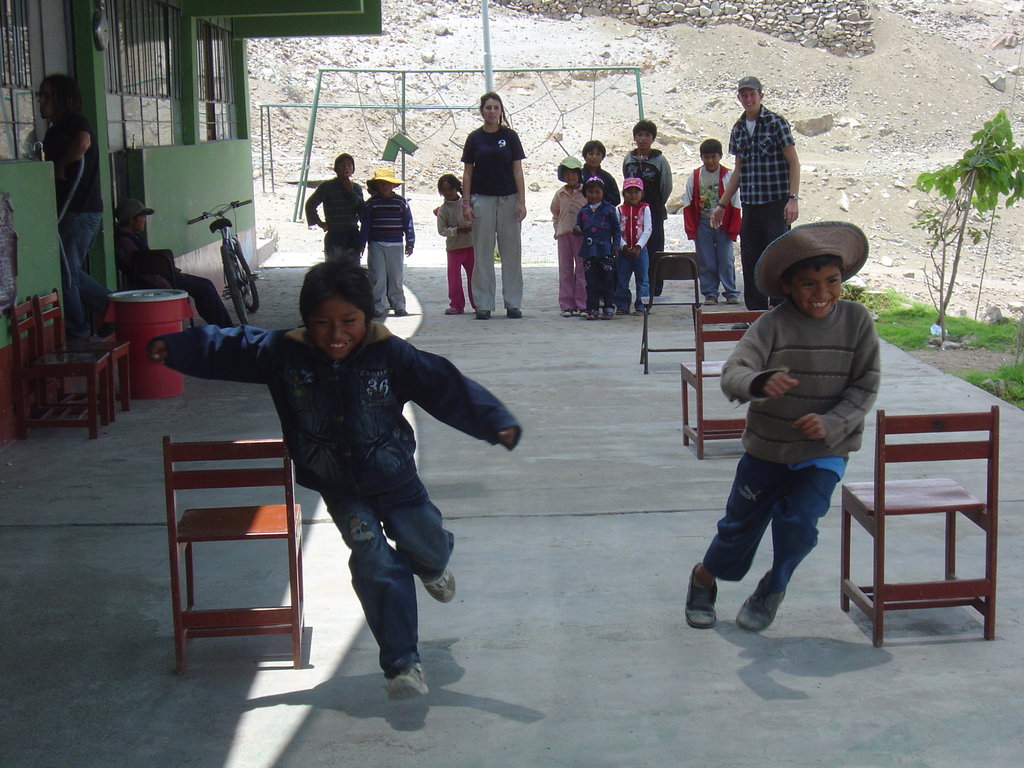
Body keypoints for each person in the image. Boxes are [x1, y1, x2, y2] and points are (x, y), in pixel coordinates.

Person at [146, 260, 521, 699]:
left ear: (367, 317)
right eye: (322, 323)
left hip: (396, 480)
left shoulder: (391, 354)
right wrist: (176, 348)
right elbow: (229, 346)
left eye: (349, 321)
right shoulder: (282, 353)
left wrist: (494, 421)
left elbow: (445, 385)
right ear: (307, 321)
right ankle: (402, 664)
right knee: (374, 560)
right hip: (340, 489)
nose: (336, 334)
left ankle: (434, 565)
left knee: (426, 544)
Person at [684, 222, 880, 633]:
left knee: (800, 525)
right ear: (787, 286)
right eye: (809, 284)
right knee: (738, 529)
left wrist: (832, 422)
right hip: (767, 450)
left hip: (824, 452)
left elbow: (865, 386)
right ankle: (703, 578)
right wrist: (758, 383)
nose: (822, 293)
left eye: (832, 281)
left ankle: (773, 586)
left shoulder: (858, 321)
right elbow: (734, 371)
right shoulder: (771, 325)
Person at [711, 76, 801, 311]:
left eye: (752, 94)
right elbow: (738, 171)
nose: (748, 99)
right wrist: (722, 205)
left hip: (776, 202)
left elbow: (793, 162)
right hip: (751, 205)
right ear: (739, 98)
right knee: (751, 259)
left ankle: (780, 311)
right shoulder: (738, 128)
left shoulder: (776, 123)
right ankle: (754, 314)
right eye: (744, 95)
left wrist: (793, 199)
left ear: (761, 95)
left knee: (778, 257)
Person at [38, 74, 111, 339]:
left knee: (65, 273)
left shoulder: (75, 122)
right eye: (40, 96)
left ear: (62, 98)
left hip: (79, 210)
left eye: (46, 96)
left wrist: (61, 165)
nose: (41, 101)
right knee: (69, 271)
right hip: (69, 212)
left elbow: (83, 143)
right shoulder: (54, 131)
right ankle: (113, 307)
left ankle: (77, 330)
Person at [112, 199, 234, 327]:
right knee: (204, 290)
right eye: (143, 216)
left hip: (164, 275)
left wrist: (170, 269)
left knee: (206, 284)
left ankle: (225, 326)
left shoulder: (132, 237)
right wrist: (167, 285)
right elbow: (144, 271)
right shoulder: (124, 241)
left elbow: (149, 262)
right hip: (155, 282)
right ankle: (225, 328)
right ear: (131, 219)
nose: (145, 220)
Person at [461, 92, 526, 320]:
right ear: (482, 110)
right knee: (482, 254)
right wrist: (466, 203)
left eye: (496, 108)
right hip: (482, 200)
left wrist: (521, 201)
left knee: (511, 253)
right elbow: (467, 173)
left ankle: (513, 303)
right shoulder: (474, 138)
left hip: (509, 199)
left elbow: (517, 169)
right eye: (488, 107)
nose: (492, 112)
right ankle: (483, 304)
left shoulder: (510, 136)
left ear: (501, 111)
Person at [681, 139, 742, 305]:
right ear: (701, 157)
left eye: (713, 157)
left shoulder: (728, 175)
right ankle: (710, 293)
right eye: (706, 157)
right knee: (706, 259)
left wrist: (734, 228)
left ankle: (731, 292)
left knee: (726, 259)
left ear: (720, 156)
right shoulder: (695, 176)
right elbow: (687, 202)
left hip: (724, 224)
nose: (710, 161)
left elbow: (736, 203)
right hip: (703, 223)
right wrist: (691, 228)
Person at [622, 119, 672, 297]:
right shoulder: (628, 160)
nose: (643, 139)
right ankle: (640, 288)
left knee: (655, 249)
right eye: (639, 135)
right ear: (634, 137)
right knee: (634, 248)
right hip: (632, 213)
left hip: (654, 212)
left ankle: (655, 289)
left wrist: (655, 204)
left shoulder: (660, 160)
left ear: (653, 138)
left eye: (647, 135)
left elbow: (666, 187)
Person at [358, 168, 414, 318]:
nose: (384, 186)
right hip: (376, 244)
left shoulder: (401, 202)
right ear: (376, 185)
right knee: (377, 276)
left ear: (393, 185)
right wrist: (362, 243)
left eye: (387, 183)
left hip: (396, 244)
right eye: (381, 183)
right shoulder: (371, 204)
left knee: (396, 277)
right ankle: (378, 306)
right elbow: (366, 226)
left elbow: (408, 223)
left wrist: (410, 242)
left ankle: (399, 305)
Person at [573, 177, 621, 320]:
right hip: (589, 252)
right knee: (591, 282)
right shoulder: (583, 211)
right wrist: (577, 230)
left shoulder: (609, 210)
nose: (593, 195)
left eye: (597, 192)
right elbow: (579, 229)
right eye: (590, 192)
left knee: (608, 281)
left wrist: (616, 246)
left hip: (605, 250)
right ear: (585, 193)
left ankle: (608, 307)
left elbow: (616, 230)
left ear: (603, 193)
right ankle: (592, 309)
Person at [304, 152, 364, 265]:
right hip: (334, 235)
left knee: (353, 270)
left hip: (352, 234)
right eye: (342, 165)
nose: (345, 168)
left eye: (349, 165)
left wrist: (350, 191)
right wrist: (320, 223)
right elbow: (310, 204)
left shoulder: (356, 188)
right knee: (333, 269)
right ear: (335, 169)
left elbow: (361, 210)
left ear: (353, 170)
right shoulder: (327, 187)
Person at [550, 156, 586, 317]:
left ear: (579, 174)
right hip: (564, 235)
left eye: (574, 173)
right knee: (565, 270)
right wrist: (557, 229)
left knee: (582, 270)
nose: (570, 176)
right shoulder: (560, 194)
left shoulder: (585, 192)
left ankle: (583, 304)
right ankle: (566, 305)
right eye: (567, 173)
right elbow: (555, 212)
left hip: (581, 236)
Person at [434, 174, 475, 315]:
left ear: (457, 188)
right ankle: (456, 305)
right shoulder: (443, 210)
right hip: (454, 249)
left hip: (470, 246)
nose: (447, 192)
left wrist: (470, 226)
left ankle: (478, 303)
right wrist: (457, 230)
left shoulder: (466, 203)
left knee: (474, 278)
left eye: (450, 189)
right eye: (444, 190)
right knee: (454, 279)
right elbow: (441, 230)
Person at [615, 178, 652, 315]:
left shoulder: (645, 209)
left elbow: (647, 229)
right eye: (629, 192)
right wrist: (624, 246)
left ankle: (642, 305)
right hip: (623, 252)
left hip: (640, 251)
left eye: (636, 191)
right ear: (623, 194)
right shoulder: (619, 210)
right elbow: (616, 231)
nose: (633, 195)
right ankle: (622, 304)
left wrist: (638, 246)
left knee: (643, 279)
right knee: (622, 279)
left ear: (642, 194)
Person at [581, 140, 620, 208]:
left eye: (598, 154)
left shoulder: (608, 177)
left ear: (602, 157)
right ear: (585, 155)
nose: (594, 157)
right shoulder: (578, 175)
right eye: (591, 154)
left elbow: (616, 199)